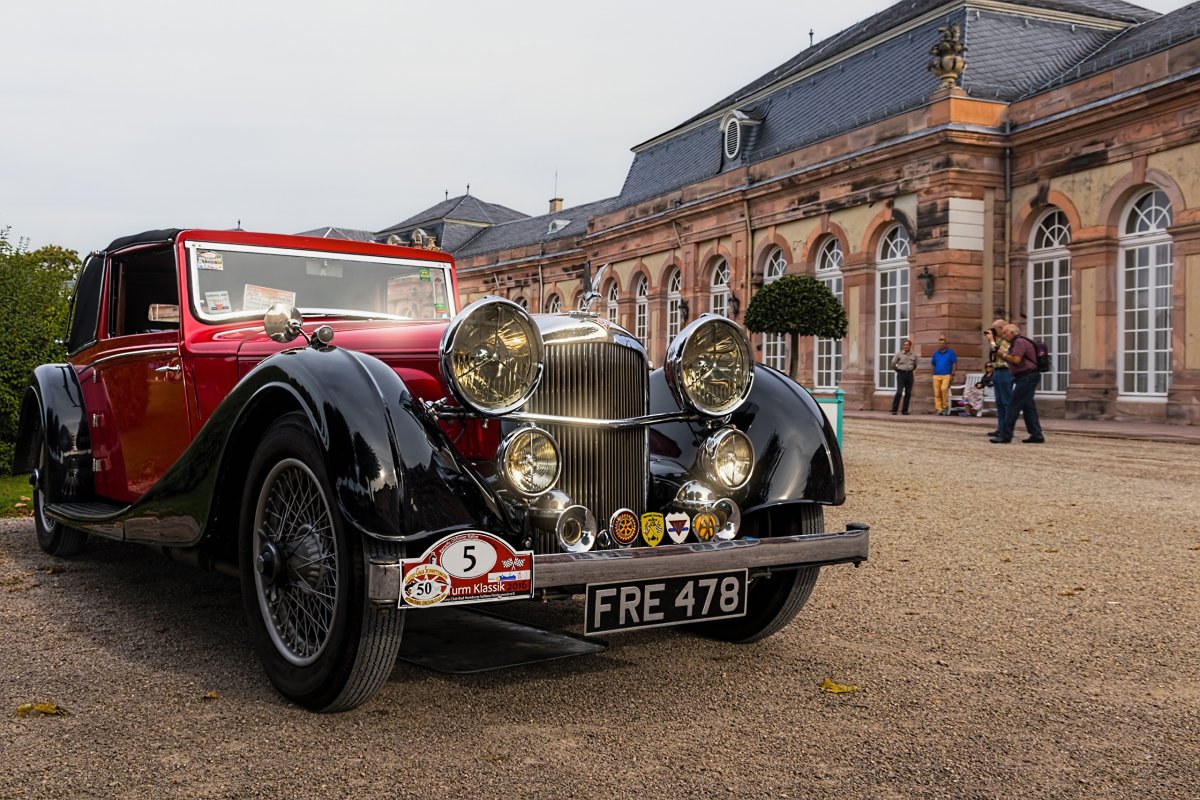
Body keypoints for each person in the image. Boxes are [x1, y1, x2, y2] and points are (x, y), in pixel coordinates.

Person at [990, 323, 1045, 444]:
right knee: (1028, 406)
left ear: (1012, 332)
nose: (1003, 336)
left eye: (1005, 333)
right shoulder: (1018, 342)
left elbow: (1016, 359)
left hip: (1027, 377)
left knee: (1013, 405)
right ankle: (1036, 434)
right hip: (1027, 376)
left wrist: (1001, 353)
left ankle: (1005, 435)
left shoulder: (1019, 342)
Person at [983, 318, 1013, 437]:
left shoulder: (1008, 340)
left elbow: (1002, 352)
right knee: (999, 402)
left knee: (1006, 402)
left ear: (1001, 328)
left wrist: (992, 341)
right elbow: (994, 354)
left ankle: (1007, 429)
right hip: (997, 371)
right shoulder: (999, 340)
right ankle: (1001, 428)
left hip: (1006, 371)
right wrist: (992, 340)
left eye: (995, 329)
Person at [930, 335, 957, 415]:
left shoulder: (950, 352)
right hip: (936, 375)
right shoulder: (936, 353)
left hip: (946, 375)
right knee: (937, 393)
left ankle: (945, 407)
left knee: (944, 389)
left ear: (946, 344)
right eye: (940, 344)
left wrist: (952, 374)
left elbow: (954, 363)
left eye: (943, 343)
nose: (941, 345)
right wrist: (932, 373)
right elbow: (933, 364)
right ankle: (939, 409)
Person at [891, 339, 917, 415]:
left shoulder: (914, 355)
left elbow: (915, 365)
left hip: (909, 374)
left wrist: (910, 370)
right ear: (903, 346)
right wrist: (898, 371)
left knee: (908, 393)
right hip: (901, 374)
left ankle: (905, 410)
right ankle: (894, 409)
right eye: (904, 345)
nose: (906, 346)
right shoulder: (899, 354)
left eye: (907, 345)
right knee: (899, 391)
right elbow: (893, 364)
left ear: (910, 346)